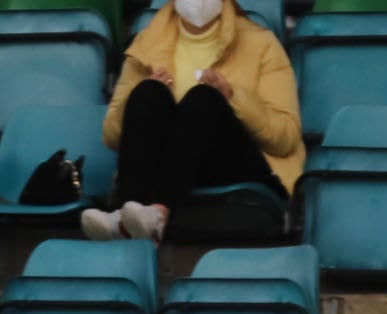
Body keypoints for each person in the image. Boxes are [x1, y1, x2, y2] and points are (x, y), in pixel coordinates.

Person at [79, 0, 301, 244]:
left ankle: (159, 214)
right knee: (148, 92)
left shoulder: (261, 43)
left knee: (204, 98)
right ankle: (126, 216)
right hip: (166, 168)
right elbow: (111, 135)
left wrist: (233, 97)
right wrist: (139, 94)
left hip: (237, 166)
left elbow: (286, 137)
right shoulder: (147, 43)